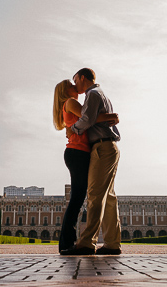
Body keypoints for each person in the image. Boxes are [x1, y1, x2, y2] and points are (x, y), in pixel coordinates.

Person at [60, 67, 122, 256]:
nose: (75, 83)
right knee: (109, 198)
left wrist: (73, 130)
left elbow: (87, 119)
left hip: (102, 147)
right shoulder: (101, 94)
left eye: (76, 79)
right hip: (109, 147)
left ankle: (87, 242)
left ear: (83, 77)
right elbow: (95, 118)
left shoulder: (92, 94)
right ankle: (112, 243)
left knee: (95, 195)